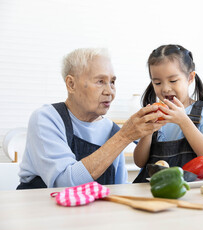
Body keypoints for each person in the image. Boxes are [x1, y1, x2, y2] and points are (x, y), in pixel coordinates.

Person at [17, 48, 166, 189]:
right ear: (71, 84)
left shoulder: (111, 130)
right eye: (100, 81)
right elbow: (64, 183)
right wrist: (124, 136)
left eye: (112, 82)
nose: (109, 92)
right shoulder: (46, 119)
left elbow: (118, 187)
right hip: (42, 212)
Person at [133, 44, 203, 183]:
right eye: (157, 83)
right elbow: (139, 162)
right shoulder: (152, 112)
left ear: (190, 78)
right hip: (153, 188)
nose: (165, 88)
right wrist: (148, 132)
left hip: (188, 188)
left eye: (173, 81)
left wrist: (184, 121)